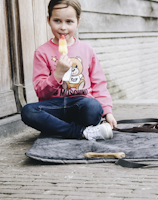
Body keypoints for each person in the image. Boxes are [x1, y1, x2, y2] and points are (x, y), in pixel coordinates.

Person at [21, 0, 117, 140]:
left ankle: (62, 129)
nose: (63, 27)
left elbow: (99, 84)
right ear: (49, 20)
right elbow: (40, 91)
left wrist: (108, 112)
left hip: (81, 105)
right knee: (28, 111)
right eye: (57, 21)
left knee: (93, 106)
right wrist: (57, 74)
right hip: (54, 107)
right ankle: (83, 132)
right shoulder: (42, 52)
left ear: (78, 22)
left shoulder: (87, 50)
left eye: (69, 22)